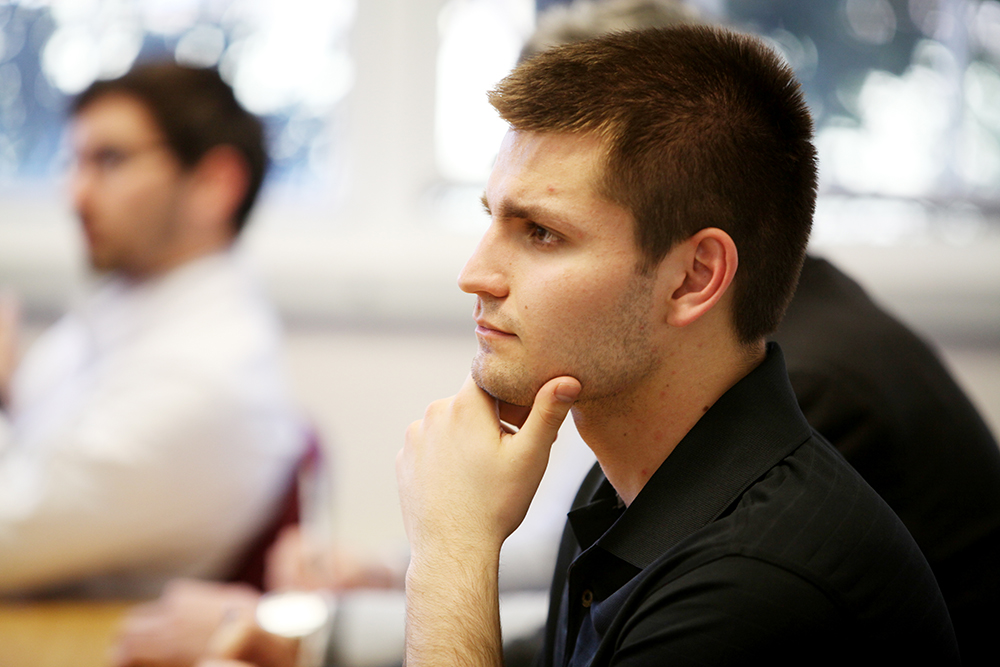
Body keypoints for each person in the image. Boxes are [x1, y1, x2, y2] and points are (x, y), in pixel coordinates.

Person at [395, 25, 959, 666]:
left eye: (542, 233)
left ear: (694, 278)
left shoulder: (754, 587)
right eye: (491, 217)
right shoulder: (614, 490)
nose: (475, 274)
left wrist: (451, 554)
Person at [0, 62, 307, 598]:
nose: (75, 194)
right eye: (72, 161)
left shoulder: (202, 378)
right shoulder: (132, 301)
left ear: (215, 184)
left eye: (110, 161)